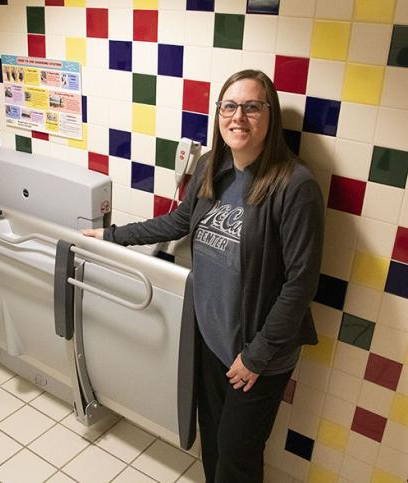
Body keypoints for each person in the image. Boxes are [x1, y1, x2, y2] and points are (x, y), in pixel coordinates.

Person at [83, 69, 324, 482]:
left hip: (255, 353)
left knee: (237, 459)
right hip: (211, 339)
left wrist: (256, 356)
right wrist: (112, 235)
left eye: (252, 107)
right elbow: (179, 221)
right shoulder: (216, 166)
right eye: (229, 106)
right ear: (218, 115)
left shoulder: (294, 186)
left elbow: (301, 283)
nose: (239, 117)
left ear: (271, 116)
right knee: (212, 442)